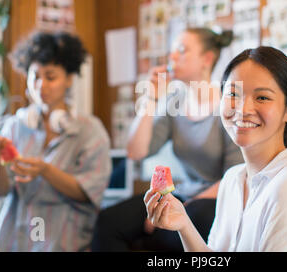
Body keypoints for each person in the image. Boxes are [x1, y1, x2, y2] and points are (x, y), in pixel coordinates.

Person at [144, 46, 287, 252]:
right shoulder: (232, 180)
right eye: (233, 94)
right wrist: (184, 225)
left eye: (262, 97)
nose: (243, 109)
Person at [91, 27, 244, 251]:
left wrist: (181, 207)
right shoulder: (174, 102)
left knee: (181, 224)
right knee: (108, 222)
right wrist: (151, 97)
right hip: (180, 194)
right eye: (172, 51)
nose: (172, 57)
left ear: (207, 59)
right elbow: (136, 151)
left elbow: (235, 176)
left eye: (181, 50)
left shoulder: (226, 105)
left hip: (214, 199)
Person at [0, 31, 112, 251]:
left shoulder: (90, 131)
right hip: (13, 240)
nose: (41, 85)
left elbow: (89, 192)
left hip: (61, 241)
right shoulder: (15, 126)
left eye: (50, 77)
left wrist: (45, 171)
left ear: (69, 79)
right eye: (35, 76)